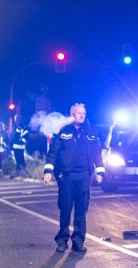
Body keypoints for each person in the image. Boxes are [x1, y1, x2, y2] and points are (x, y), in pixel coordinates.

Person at [42, 103, 104, 253]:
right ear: (72, 115)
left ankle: (78, 241)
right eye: (79, 113)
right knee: (65, 208)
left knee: (82, 209)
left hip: (84, 175)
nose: (82, 115)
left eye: (84, 113)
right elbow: (54, 152)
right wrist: (48, 170)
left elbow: (97, 153)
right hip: (67, 176)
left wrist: (100, 171)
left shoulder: (90, 132)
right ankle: (62, 240)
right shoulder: (63, 132)